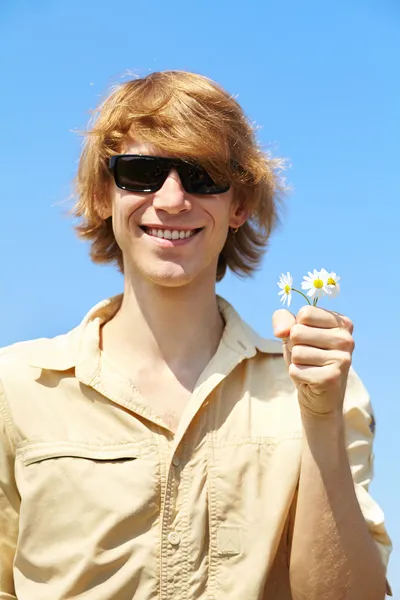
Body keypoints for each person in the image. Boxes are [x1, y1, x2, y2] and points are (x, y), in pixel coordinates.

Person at [0, 70, 392, 600]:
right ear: (101, 194)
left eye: (203, 175)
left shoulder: (322, 386)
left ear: (240, 205)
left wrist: (320, 418)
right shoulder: (15, 388)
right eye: (140, 172)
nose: (172, 199)